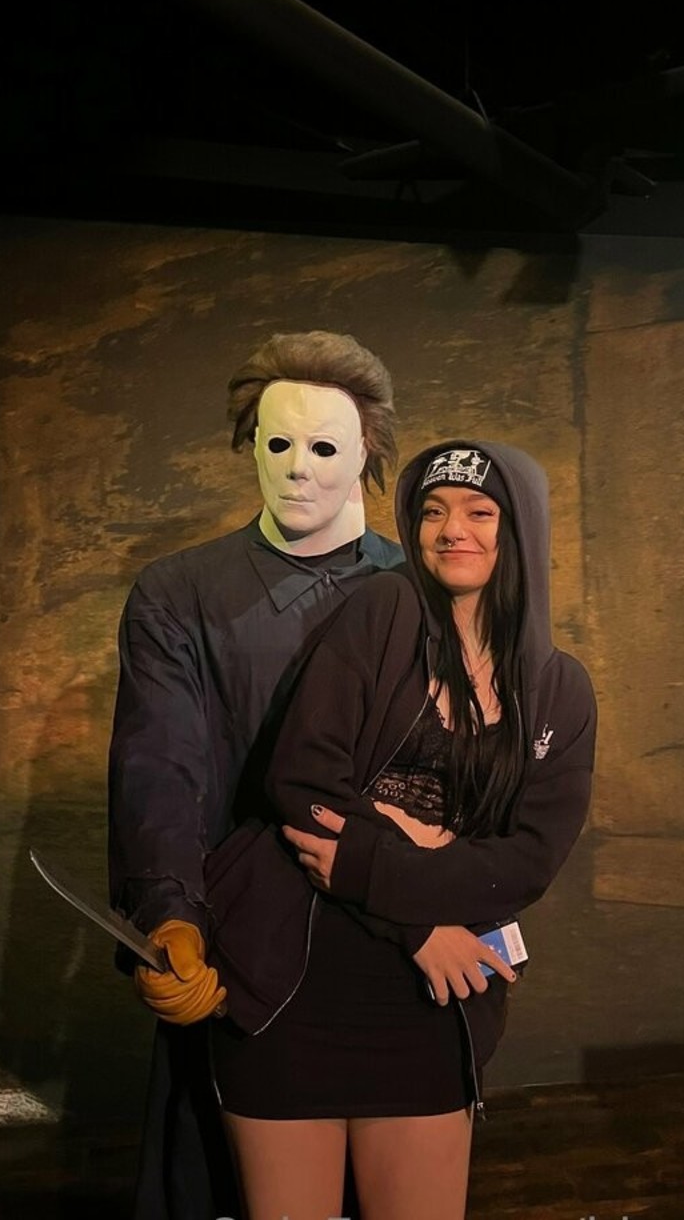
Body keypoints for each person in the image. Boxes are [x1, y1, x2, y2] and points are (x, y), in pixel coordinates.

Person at [200, 440, 597, 1220]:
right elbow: (303, 786)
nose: (453, 529)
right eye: (433, 511)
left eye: (480, 512)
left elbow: (525, 863)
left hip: (431, 1001)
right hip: (294, 982)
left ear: (521, 529)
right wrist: (418, 922)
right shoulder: (382, 609)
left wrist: (369, 856)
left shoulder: (561, 689)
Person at [107, 329, 404, 1220]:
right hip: (239, 940)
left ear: (367, 451)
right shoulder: (179, 593)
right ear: (250, 444)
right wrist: (170, 914)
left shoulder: (421, 587)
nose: (298, 467)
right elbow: (161, 765)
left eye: (324, 447)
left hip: (390, 932)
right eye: (278, 442)